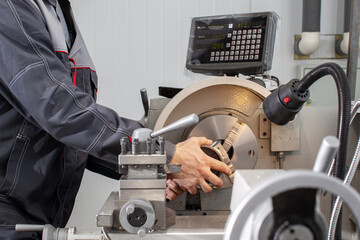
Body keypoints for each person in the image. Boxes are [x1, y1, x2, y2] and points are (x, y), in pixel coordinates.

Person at [0, 0, 231, 239]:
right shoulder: (10, 8)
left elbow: (74, 138)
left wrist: (152, 169)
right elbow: (59, 108)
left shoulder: (61, 16)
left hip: (38, 217)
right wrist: (165, 155)